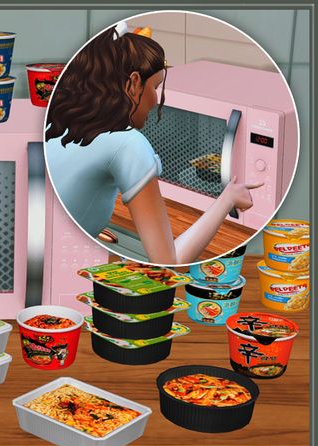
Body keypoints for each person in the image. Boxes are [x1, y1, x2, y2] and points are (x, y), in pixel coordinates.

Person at [44, 22, 262, 265]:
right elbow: (168, 261)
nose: (156, 99)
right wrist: (228, 198)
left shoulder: (60, 118)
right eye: (155, 87)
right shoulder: (128, 144)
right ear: (134, 82)